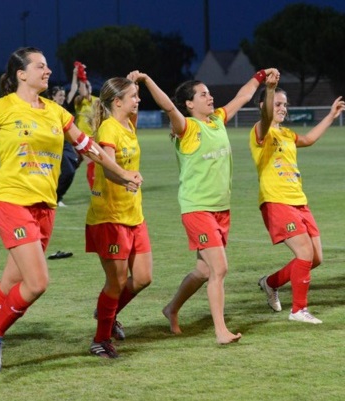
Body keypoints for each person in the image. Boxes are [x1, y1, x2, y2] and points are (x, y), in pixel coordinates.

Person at [0, 47, 142, 381]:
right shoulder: (0, 108)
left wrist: (122, 174)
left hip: (44, 206)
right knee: (37, 281)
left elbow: (89, 149)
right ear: (21, 74)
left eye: (47, 66)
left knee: (11, 281)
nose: (48, 71)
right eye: (40, 66)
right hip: (11, 201)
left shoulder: (56, 112)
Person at [139, 67, 278, 344]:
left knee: (203, 271)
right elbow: (167, 105)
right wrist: (146, 79)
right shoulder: (187, 128)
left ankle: (171, 309)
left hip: (221, 209)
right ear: (189, 104)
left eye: (210, 93)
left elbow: (243, 95)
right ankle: (220, 331)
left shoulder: (217, 119)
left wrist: (262, 77)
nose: (210, 97)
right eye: (203, 95)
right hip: (197, 208)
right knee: (220, 269)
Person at [252, 79, 345, 324]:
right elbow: (265, 116)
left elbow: (309, 139)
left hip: (299, 202)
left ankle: (270, 283)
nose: (283, 108)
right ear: (266, 105)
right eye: (278, 104)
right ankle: (298, 310)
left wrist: (331, 117)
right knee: (304, 252)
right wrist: (270, 88)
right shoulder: (261, 131)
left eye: (285, 105)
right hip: (276, 201)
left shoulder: (286, 134)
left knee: (315, 258)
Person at [87, 74, 153, 358]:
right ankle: (100, 340)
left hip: (134, 214)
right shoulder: (108, 129)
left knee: (142, 277)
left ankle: (107, 311)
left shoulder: (128, 123)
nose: (138, 100)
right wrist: (123, 179)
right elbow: (107, 165)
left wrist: (134, 80)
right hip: (110, 217)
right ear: (117, 102)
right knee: (116, 282)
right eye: (133, 97)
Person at [48, 83, 80, 207]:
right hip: (52, 143)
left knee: (70, 171)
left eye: (63, 95)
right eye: (60, 95)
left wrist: (75, 74)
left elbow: (74, 89)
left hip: (65, 143)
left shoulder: (64, 107)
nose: (63, 97)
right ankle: (52, 198)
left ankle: (57, 197)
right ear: (52, 97)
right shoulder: (47, 107)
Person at [74, 77, 99, 189]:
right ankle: (94, 190)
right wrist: (81, 76)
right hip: (80, 138)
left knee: (73, 166)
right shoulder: (79, 101)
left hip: (92, 137)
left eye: (87, 85)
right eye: (82, 87)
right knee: (90, 164)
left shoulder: (97, 101)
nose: (84, 88)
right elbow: (84, 94)